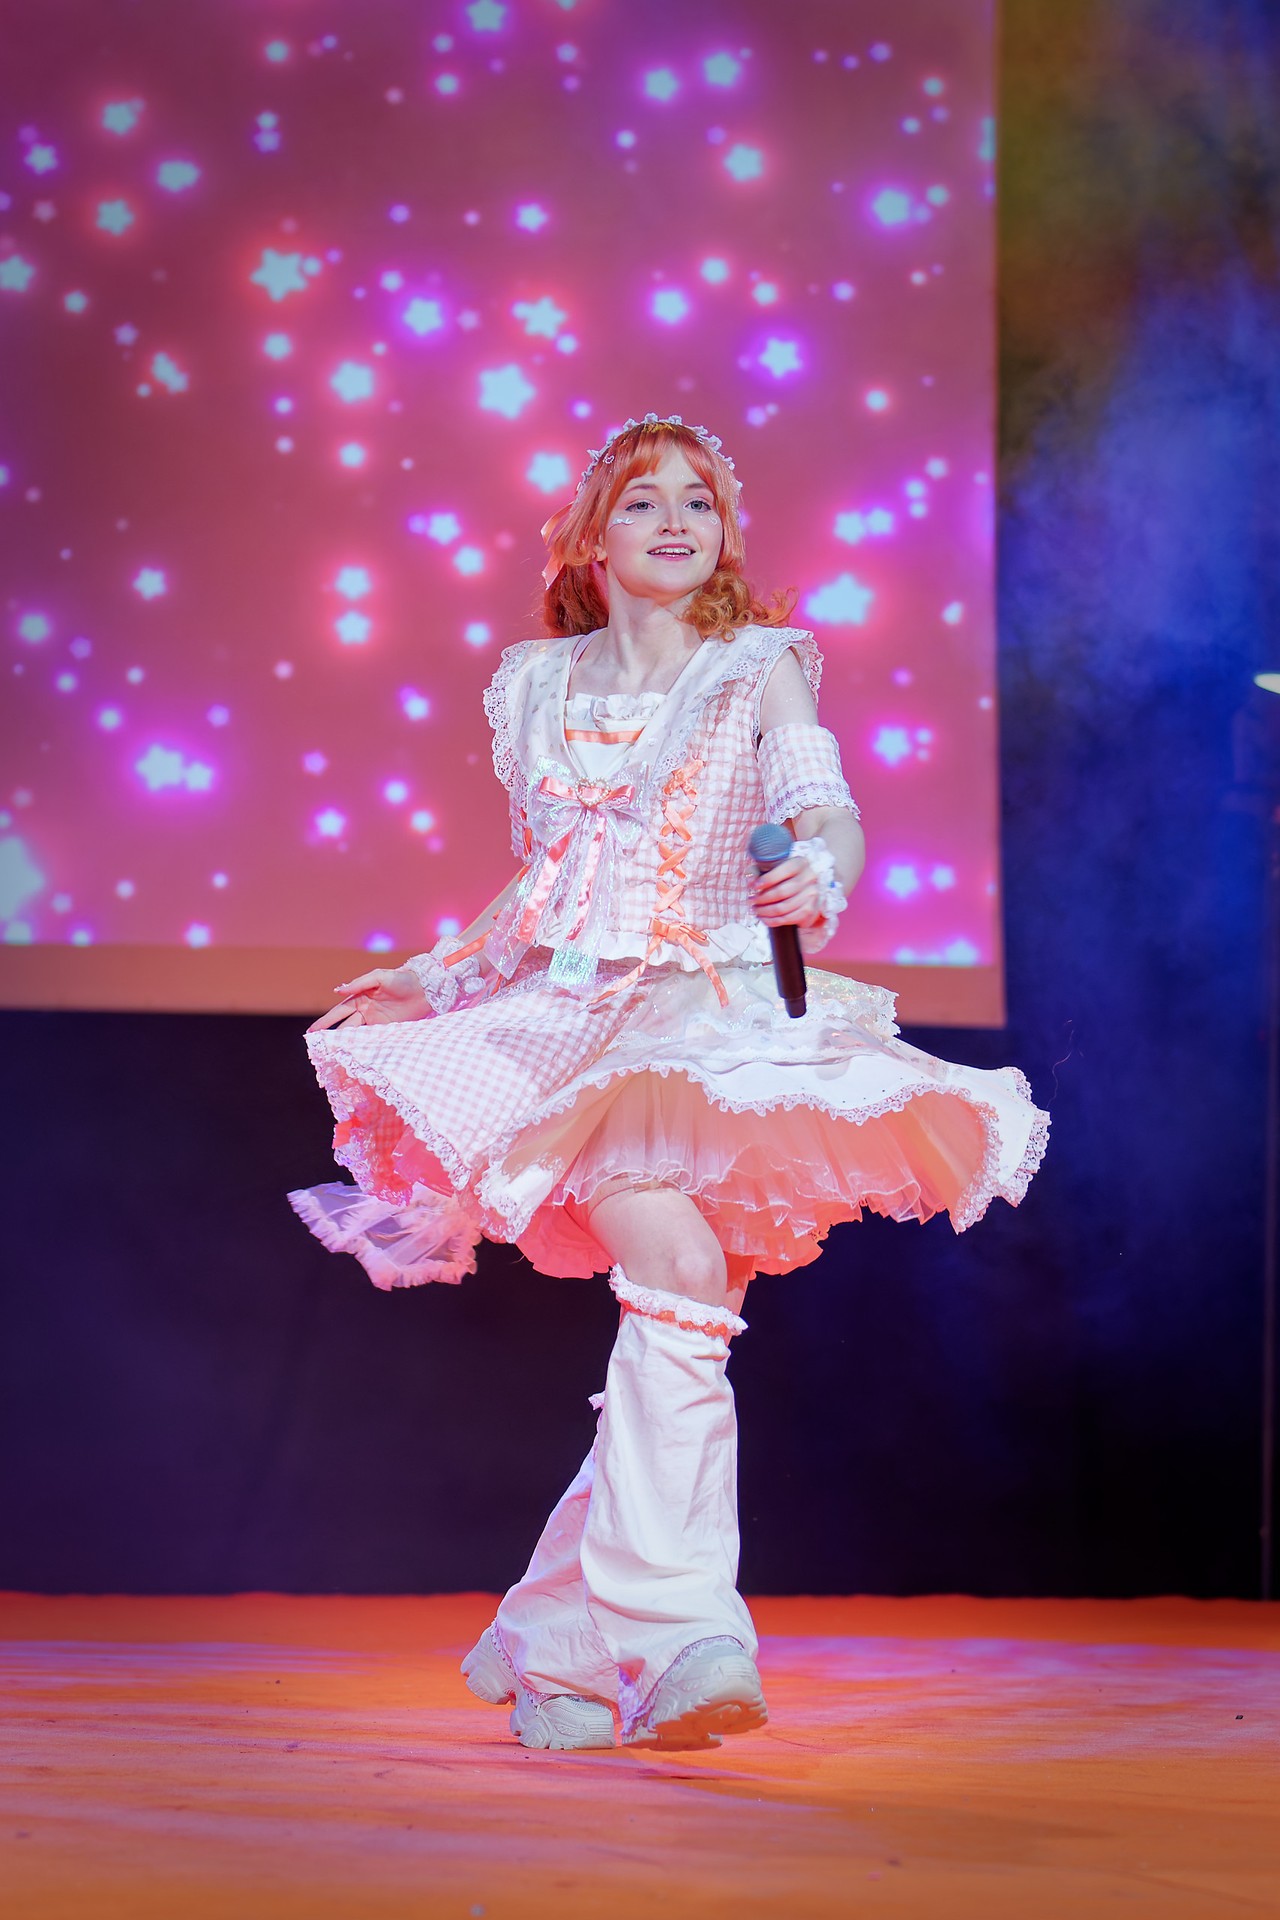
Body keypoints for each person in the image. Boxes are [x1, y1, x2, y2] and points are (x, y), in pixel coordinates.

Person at [290, 413, 1050, 1753]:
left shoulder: (759, 665)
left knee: (686, 1318)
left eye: (699, 501)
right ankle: (686, 1636)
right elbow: (544, 886)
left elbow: (824, 811)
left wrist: (820, 873)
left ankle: (558, 1650)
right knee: (681, 1278)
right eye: (644, 500)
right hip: (574, 1028)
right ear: (594, 536)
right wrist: (434, 977)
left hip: (711, 1024)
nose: (676, 521)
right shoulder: (533, 684)